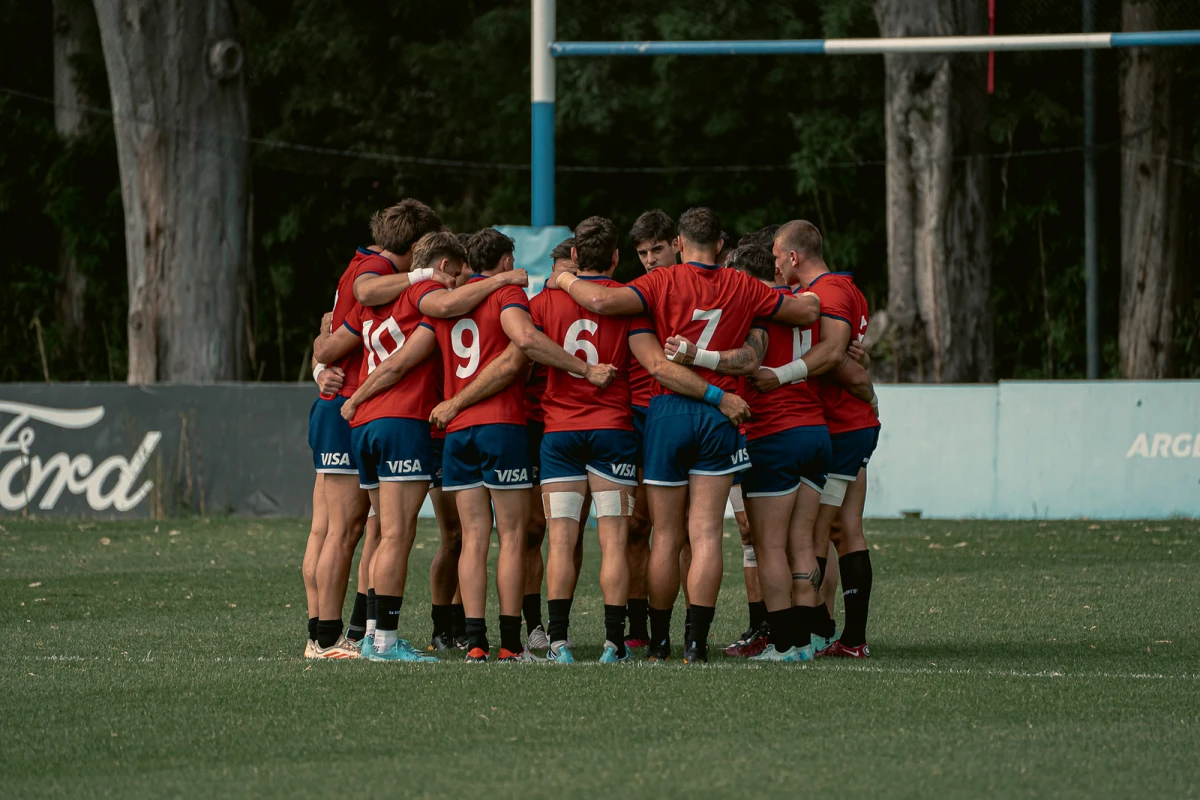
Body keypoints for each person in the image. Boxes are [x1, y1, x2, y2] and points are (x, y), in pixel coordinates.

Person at [553, 207, 821, 663]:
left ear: (678, 243)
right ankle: (696, 643)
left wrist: (562, 280)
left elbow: (600, 302)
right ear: (720, 244)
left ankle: (659, 641)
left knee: (667, 537)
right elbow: (805, 310)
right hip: (722, 415)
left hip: (669, 413)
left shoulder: (659, 284)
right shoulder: (746, 286)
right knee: (707, 535)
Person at [331, 231, 528, 661]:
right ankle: (385, 641)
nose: (459, 282)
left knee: (382, 533)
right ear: (442, 267)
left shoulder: (379, 295)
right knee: (398, 534)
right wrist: (499, 280)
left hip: (366, 423)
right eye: (457, 274)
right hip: (403, 421)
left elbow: (371, 351)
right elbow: (442, 312)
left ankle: (368, 634)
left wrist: (355, 398)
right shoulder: (425, 292)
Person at [305, 199, 446, 659]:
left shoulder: (364, 268)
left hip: (349, 405)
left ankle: (347, 633)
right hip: (357, 406)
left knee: (356, 529)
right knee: (346, 530)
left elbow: (330, 338)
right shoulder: (379, 271)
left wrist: (319, 364)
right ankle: (327, 638)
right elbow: (363, 300)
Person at [529, 217, 648, 663]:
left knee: (560, 541)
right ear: (616, 258)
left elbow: (524, 351)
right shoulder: (628, 302)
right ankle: (613, 643)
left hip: (559, 432)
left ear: (574, 256)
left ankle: (558, 641)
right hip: (613, 431)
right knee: (614, 541)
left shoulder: (543, 302)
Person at [767, 220, 880, 658]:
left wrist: (780, 375)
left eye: (778, 256)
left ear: (794, 257)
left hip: (840, 424)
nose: (776, 264)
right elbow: (849, 353)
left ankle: (815, 629)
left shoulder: (828, 292)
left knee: (814, 533)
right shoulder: (847, 288)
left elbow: (834, 354)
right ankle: (851, 638)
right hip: (853, 422)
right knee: (845, 529)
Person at [622, 210, 678, 648]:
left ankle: (694, 631)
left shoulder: (705, 287)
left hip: (691, 417)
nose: (649, 259)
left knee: (693, 531)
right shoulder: (637, 293)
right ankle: (639, 629)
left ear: (677, 244)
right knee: (638, 526)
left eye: (656, 249)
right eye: (642, 253)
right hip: (638, 417)